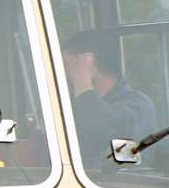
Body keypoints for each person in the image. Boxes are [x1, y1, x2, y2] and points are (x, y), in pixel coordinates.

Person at [64, 31, 156, 159]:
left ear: (88, 62)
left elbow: (108, 134)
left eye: (68, 63)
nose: (65, 70)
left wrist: (82, 78)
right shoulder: (73, 103)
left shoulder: (137, 105)